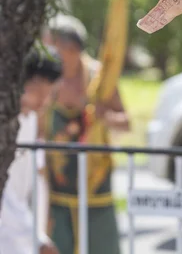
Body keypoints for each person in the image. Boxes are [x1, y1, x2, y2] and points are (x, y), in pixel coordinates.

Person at [44, 15, 129, 254]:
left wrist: (106, 116)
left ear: (71, 48)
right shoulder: (50, 79)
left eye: (54, 47)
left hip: (96, 189)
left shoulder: (99, 79)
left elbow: (126, 123)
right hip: (58, 192)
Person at [0, 46, 62, 254]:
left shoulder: (31, 119)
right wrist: (35, 236)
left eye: (49, 94)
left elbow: (36, 176)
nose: (43, 101)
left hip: (19, 234)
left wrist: (39, 231)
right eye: (37, 91)